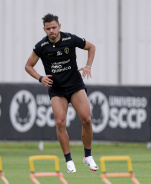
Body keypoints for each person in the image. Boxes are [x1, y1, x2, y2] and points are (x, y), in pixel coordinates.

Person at [25, 13, 99, 173]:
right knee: (60, 122)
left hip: (75, 85)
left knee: (86, 119)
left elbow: (91, 47)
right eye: (48, 28)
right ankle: (69, 160)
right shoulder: (41, 46)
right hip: (57, 89)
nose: (51, 31)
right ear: (44, 29)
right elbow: (28, 66)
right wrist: (40, 78)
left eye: (54, 27)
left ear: (59, 26)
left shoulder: (70, 39)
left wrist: (88, 66)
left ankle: (88, 156)